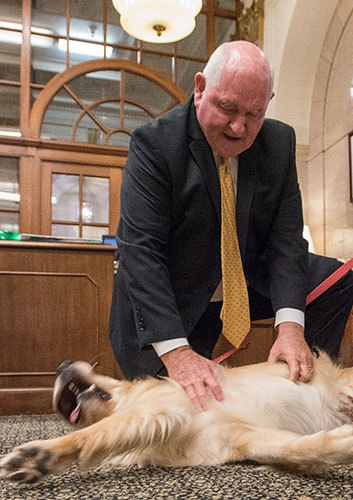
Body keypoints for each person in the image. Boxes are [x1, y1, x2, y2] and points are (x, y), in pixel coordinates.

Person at [109, 41, 353, 411]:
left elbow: (287, 241)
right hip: (171, 294)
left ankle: (307, 398)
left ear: (269, 101)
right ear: (201, 87)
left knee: (337, 277)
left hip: (244, 277)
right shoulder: (155, 144)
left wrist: (291, 327)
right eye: (227, 108)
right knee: (172, 414)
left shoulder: (279, 142)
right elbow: (140, 251)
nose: (239, 127)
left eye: (255, 113)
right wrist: (177, 353)